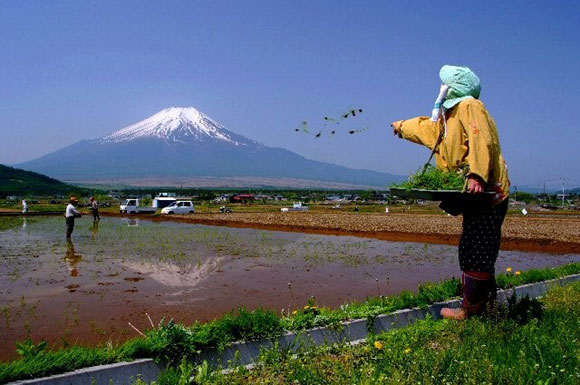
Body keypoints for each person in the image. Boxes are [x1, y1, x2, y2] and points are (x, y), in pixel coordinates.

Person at [391, 65, 510, 320]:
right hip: (474, 196)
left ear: (452, 87)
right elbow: (428, 130)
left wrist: (477, 173)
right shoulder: (450, 116)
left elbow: (482, 138)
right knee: (473, 249)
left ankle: (471, 313)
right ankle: (486, 309)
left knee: (477, 251)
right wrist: (402, 127)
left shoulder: (470, 106)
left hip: (488, 193)